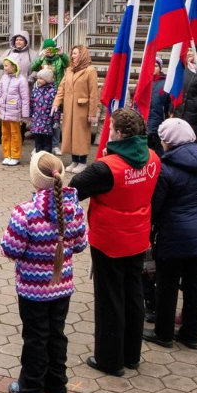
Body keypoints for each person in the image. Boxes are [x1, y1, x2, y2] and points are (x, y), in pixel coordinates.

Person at [69, 108, 161, 377]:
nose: (108, 134)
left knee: (110, 298)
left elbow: (73, 188)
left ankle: (109, 360)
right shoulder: (154, 158)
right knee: (133, 293)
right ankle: (132, 355)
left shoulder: (105, 167)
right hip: (138, 235)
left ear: (119, 134)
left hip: (109, 239)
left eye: (110, 130)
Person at [1, 151, 87, 393]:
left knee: (35, 337)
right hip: (62, 287)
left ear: (35, 181)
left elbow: (10, 249)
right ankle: (57, 384)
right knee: (56, 334)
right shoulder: (75, 209)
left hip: (32, 290)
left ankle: (30, 388)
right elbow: (81, 244)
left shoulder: (25, 212)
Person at [143, 119, 197, 350]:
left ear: (167, 142)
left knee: (167, 284)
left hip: (174, 234)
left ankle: (163, 333)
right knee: (195, 284)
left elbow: (155, 207)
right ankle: (191, 334)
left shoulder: (165, 169)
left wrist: (151, 228)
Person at [53, 45, 98, 173]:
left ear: (82, 54)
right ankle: (74, 161)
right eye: (72, 53)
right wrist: (56, 103)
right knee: (70, 134)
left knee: (81, 136)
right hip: (69, 108)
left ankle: (82, 162)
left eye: (75, 53)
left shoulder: (90, 70)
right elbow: (61, 88)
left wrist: (92, 113)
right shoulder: (69, 70)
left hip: (82, 109)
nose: (73, 56)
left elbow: (93, 93)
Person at [30, 39, 70, 155]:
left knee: (54, 119)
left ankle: (55, 144)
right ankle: (38, 145)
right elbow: (33, 67)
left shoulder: (59, 59)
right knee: (40, 120)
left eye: (52, 49)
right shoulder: (43, 60)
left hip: (55, 92)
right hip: (42, 93)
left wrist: (61, 54)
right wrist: (42, 56)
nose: (50, 51)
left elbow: (68, 64)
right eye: (48, 49)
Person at [0, 31, 34, 145]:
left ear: (26, 41)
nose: (18, 42)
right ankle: (1, 135)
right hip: (8, 86)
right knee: (5, 110)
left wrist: (29, 80)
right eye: (17, 40)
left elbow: (36, 69)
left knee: (20, 112)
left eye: (21, 40)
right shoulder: (9, 51)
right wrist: (8, 60)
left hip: (23, 87)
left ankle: (20, 136)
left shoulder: (32, 54)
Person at [0, 56, 30, 166]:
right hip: (4, 113)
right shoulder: (4, 78)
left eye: (6, 65)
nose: (5, 68)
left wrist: (25, 115)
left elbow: (25, 98)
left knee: (15, 135)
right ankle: (7, 154)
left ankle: (15, 156)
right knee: (5, 135)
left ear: (14, 66)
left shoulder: (22, 80)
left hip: (15, 113)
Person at [146, 57, 172, 155]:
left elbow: (170, 102)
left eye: (156, 66)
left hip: (159, 121)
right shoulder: (144, 81)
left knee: (158, 149)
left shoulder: (165, 83)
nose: (153, 68)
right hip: (145, 122)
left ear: (160, 68)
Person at [30, 69, 60, 155]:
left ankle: (46, 159)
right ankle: (37, 158)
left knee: (47, 143)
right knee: (38, 142)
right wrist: (30, 115)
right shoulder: (36, 90)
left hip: (47, 121)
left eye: (41, 78)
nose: (38, 80)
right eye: (38, 78)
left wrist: (56, 120)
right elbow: (32, 103)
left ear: (47, 79)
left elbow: (56, 107)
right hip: (37, 121)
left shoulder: (53, 91)